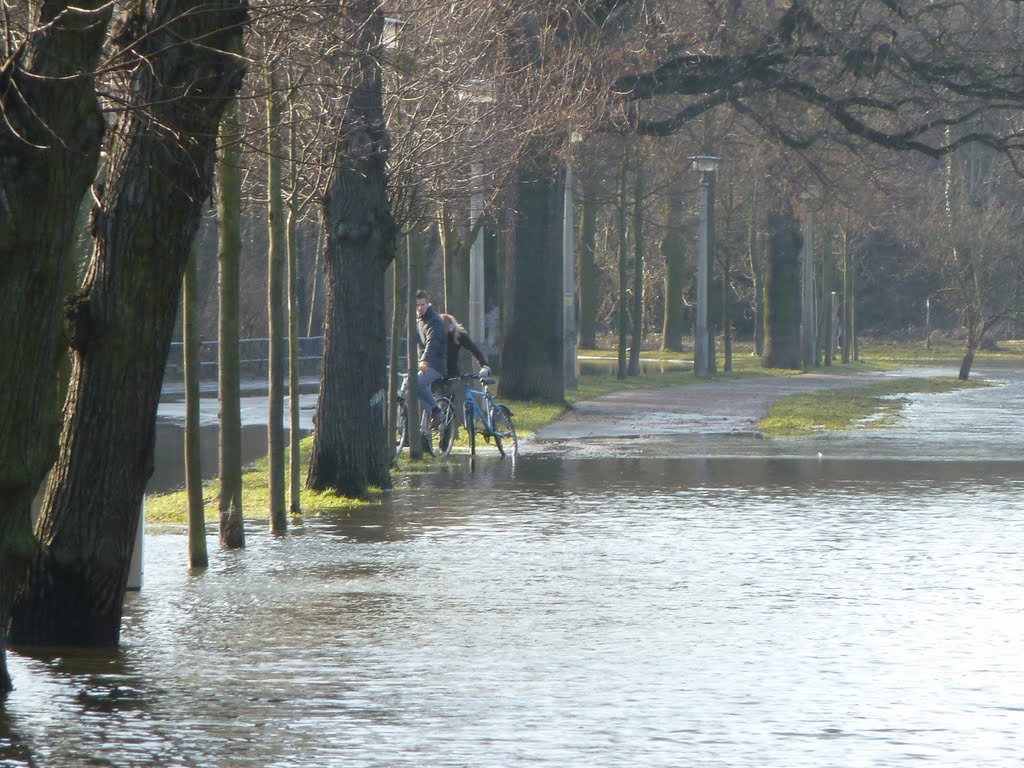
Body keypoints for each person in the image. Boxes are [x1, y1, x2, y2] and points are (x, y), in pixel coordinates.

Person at [415, 289, 447, 428]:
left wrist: (424, 360)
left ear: (428, 304)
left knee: (417, 382)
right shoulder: (418, 321)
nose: (420, 308)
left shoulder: (434, 321)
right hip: (423, 363)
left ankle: (436, 411)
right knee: (406, 389)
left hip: (435, 365)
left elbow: (432, 342)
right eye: (417, 305)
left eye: (422, 304)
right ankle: (409, 432)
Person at [438, 313, 490, 380]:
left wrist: (484, 366)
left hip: (452, 374)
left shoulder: (458, 335)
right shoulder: (435, 335)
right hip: (436, 372)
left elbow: (475, 350)